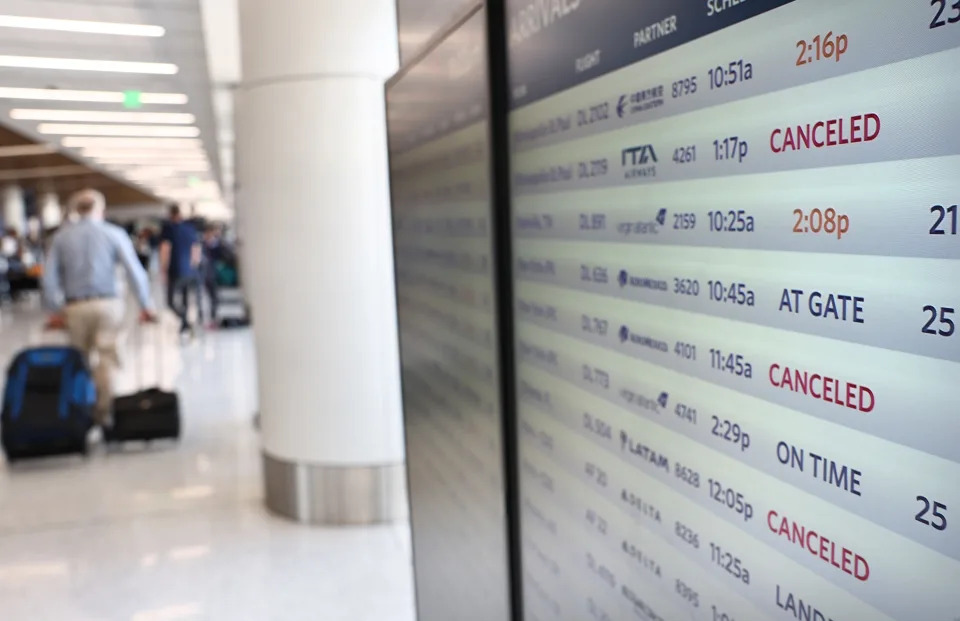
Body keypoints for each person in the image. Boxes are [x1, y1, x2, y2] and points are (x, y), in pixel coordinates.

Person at [42, 189, 157, 426]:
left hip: (75, 308)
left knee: (78, 360)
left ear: (76, 209)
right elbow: (135, 272)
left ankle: (78, 414)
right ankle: (103, 415)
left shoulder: (61, 238)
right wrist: (146, 305)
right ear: (101, 210)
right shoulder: (113, 233)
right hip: (108, 306)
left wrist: (54, 311)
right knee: (107, 360)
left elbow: (49, 279)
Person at [159, 205, 202, 335]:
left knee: (170, 302)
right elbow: (196, 249)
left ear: (171, 214)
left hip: (175, 269)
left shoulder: (168, 229)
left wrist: (163, 269)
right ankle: (185, 323)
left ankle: (184, 320)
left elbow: (165, 250)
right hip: (190, 271)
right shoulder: (190, 229)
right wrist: (194, 266)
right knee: (185, 299)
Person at [201, 224, 223, 328]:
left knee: (214, 297)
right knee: (207, 297)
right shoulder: (202, 245)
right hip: (204, 275)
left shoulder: (217, 245)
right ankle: (207, 319)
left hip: (213, 274)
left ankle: (214, 318)